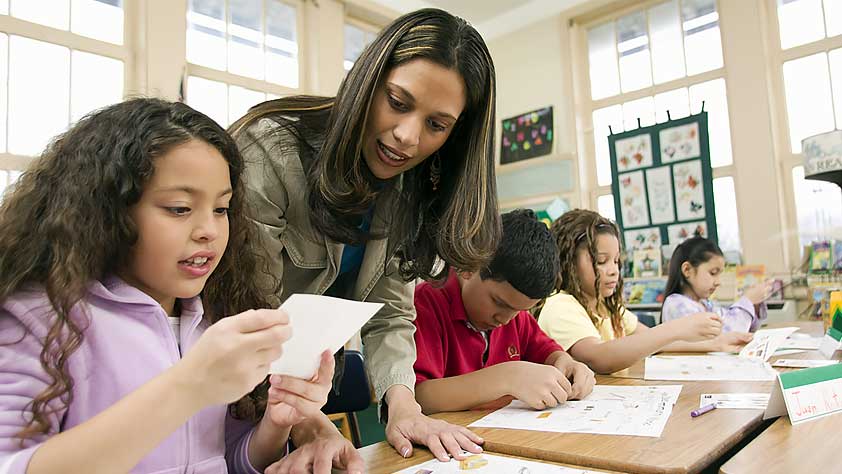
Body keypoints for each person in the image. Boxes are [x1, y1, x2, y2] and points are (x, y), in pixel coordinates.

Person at [0, 98, 334, 473]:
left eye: (222, 209)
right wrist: (188, 386)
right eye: (179, 208)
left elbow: (226, 461)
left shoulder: (215, 311)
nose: (209, 230)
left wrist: (276, 423)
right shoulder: (39, 318)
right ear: (110, 212)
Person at [230, 7, 500, 469]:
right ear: (367, 81)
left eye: (436, 125)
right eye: (397, 101)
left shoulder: (410, 188)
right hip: (232, 396)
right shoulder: (272, 152)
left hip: (290, 402)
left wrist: (404, 408)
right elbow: (248, 313)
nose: (406, 137)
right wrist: (310, 422)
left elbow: (391, 314)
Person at [412, 210, 595, 415]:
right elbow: (419, 397)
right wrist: (507, 378)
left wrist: (567, 364)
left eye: (520, 310)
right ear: (468, 266)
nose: (505, 319)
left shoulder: (515, 315)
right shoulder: (426, 304)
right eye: (498, 302)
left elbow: (548, 353)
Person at [537, 210, 753, 374]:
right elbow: (599, 357)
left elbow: (652, 341)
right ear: (567, 261)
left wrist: (717, 343)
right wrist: (676, 328)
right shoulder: (560, 305)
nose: (613, 270)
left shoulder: (606, 306)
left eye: (616, 261)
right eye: (601, 261)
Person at [661, 236, 769, 332]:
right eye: (713, 273)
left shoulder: (706, 304)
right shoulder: (676, 305)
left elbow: (736, 324)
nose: (718, 282)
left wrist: (754, 304)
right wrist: (748, 300)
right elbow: (725, 335)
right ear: (687, 270)